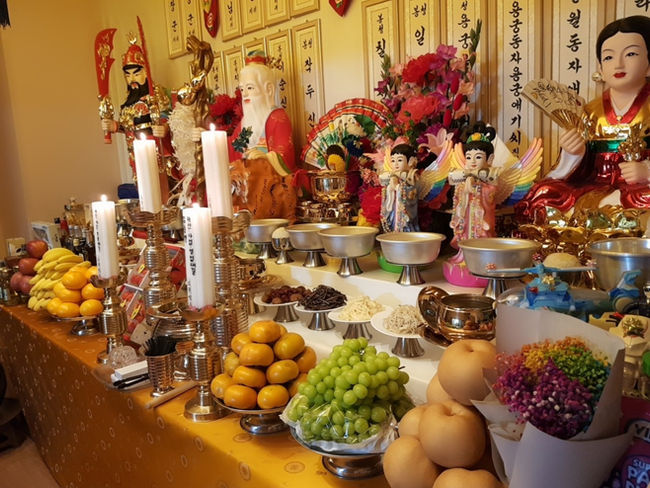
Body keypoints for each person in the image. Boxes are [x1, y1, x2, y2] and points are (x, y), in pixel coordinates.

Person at [518, 15, 650, 222]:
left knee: (642, 198)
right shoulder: (589, 110)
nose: (618, 64)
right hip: (592, 183)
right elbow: (576, 168)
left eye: (631, 54)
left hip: (636, 186)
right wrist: (573, 154)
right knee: (543, 193)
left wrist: (646, 171)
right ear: (600, 69)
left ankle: (591, 222)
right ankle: (597, 221)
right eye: (608, 57)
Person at [101, 34, 173, 201]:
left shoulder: (156, 94)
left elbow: (169, 116)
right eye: (128, 75)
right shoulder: (129, 100)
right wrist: (114, 126)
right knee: (144, 192)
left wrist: (164, 127)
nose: (132, 79)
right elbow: (129, 126)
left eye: (136, 73)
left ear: (145, 72)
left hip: (157, 153)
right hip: (135, 154)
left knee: (161, 192)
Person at [228, 51, 297, 175]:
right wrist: (207, 138)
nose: (245, 94)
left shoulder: (277, 118)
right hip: (246, 180)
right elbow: (233, 147)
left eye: (250, 88)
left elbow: (286, 154)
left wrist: (266, 158)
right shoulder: (247, 122)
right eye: (242, 89)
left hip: (269, 181)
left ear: (268, 89)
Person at [448, 124, 500, 249]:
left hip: (481, 219)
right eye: (468, 157)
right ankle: (463, 253)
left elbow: (491, 194)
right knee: (464, 232)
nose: (472, 161)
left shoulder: (490, 178)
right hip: (466, 217)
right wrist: (464, 189)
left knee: (482, 236)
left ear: (489, 159)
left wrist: (477, 187)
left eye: (478, 157)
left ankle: (481, 254)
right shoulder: (463, 177)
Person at [379, 143, 419, 232]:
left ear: (410, 161)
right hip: (394, 211)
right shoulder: (393, 176)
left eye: (400, 160)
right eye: (393, 161)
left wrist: (397, 187)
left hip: (405, 215)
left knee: (406, 228)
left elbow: (411, 195)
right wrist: (390, 189)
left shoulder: (412, 177)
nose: (396, 164)